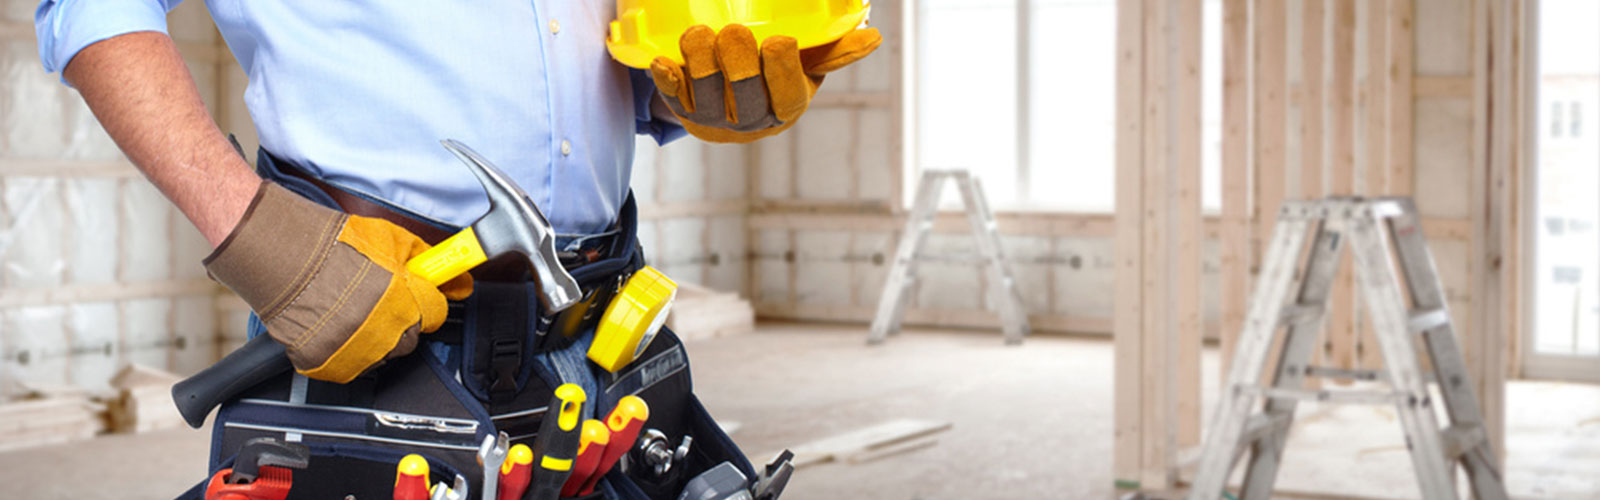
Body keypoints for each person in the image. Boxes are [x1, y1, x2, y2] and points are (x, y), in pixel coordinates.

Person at [36, 2, 878, 497]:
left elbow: (587, 57)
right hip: (377, 323)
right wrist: (256, 233)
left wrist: (692, 88)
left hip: (603, 323)